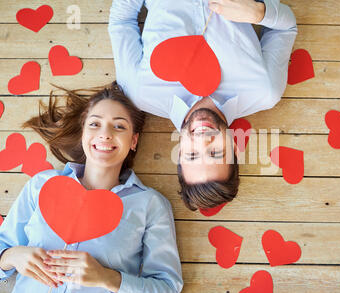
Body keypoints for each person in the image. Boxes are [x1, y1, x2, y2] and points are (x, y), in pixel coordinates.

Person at [108, 0, 298, 210]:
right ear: (234, 147)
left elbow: (121, 21)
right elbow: (286, 27)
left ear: (180, 151)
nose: (203, 141)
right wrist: (259, 13)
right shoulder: (265, 90)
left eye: (192, 155)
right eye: (216, 153)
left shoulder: (139, 92)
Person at [0, 82, 183, 293]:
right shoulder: (40, 185)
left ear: (133, 140)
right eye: (95, 124)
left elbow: (168, 292)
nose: (105, 134)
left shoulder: (150, 205)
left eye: (119, 126)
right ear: (83, 133)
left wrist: (107, 278)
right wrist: (10, 257)